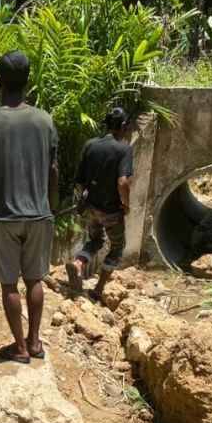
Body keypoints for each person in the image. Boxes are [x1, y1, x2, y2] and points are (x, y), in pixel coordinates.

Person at [0, 51, 59, 364]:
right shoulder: (45, 120)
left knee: (10, 283)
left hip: (4, 216)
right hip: (40, 214)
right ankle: (35, 342)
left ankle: (19, 347)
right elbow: (53, 170)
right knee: (35, 279)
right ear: (27, 81)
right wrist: (52, 205)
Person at [65, 107, 134, 302]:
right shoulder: (124, 149)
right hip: (111, 210)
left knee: (96, 240)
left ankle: (78, 263)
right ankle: (98, 289)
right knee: (117, 247)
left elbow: (79, 180)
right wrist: (126, 204)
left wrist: (81, 201)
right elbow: (123, 182)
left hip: (91, 207)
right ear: (122, 126)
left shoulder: (90, 145)